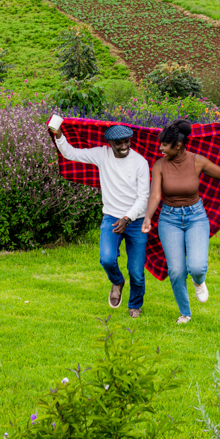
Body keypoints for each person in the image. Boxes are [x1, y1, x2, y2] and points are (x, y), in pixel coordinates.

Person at [141, 119, 220, 323]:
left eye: (164, 144)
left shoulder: (197, 161)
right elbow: (155, 196)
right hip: (169, 219)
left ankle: (199, 281)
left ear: (178, 146)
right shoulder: (159, 165)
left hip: (196, 217)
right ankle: (185, 313)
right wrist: (147, 217)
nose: (160, 148)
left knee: (197, 267)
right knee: (176, 270)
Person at [51, 123, 151, 317]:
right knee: (106, 259)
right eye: (119, 143)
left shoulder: (140, 162)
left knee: (137, 272)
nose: (124, 146)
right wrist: (59, 135)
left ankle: (135, 305)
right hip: (112, 217)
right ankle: (117, 281)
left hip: (135, 220)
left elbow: (143, 198)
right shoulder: (101, 155)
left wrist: (127, 218)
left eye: (126, 142)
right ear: (110, 143)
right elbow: (71, 154)